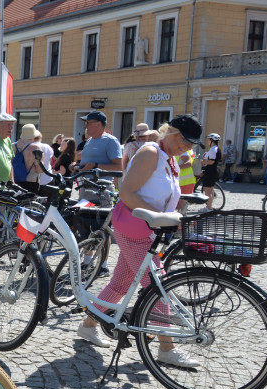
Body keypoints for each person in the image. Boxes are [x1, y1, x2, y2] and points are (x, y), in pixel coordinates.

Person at [75, 115, 203, 369]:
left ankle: (88, 325)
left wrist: (175, 213)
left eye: (191, 144)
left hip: (146, 229)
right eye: (185, 141)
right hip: (135, 228)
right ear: (172, 133)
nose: (187, 147)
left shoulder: (169, 158)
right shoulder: (150, 153)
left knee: (120, 283)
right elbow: (126, 193)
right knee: (158, 286)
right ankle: (167, 348)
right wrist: (162, 217)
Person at [200, 133, 222, 210]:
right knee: (211, 190)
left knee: (207, 191)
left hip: (210, 170)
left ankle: (208, 208)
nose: (207, 141)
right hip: (213, 170)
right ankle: (209, 207)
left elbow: (211, 161)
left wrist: (203, 162)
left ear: (212, 140)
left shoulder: (213, 149)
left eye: (208, 139)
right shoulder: (217, 149)